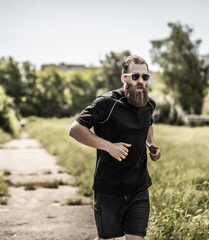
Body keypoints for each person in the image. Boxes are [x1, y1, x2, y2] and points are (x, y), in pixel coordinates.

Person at [69, 55, 161, 240]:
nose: (141, 81)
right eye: (135, 76)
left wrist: (150, 144)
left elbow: (148, 123)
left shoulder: (149, 103)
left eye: (145, 77)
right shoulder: (107, 103)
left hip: (138, 187)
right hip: (108, 190)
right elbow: (75, 129)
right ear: (124, 78)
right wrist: (108, 146)